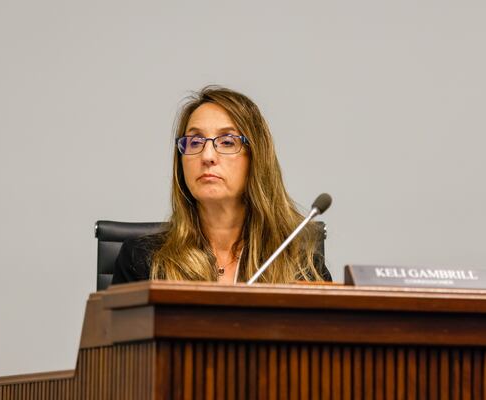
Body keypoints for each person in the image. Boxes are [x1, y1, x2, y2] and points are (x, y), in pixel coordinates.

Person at [112, 86, 331, 285]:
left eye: (227, 142)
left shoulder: (299, 264)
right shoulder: (143, 261)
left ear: (256, 158)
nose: (207, 156)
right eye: (195, 142)